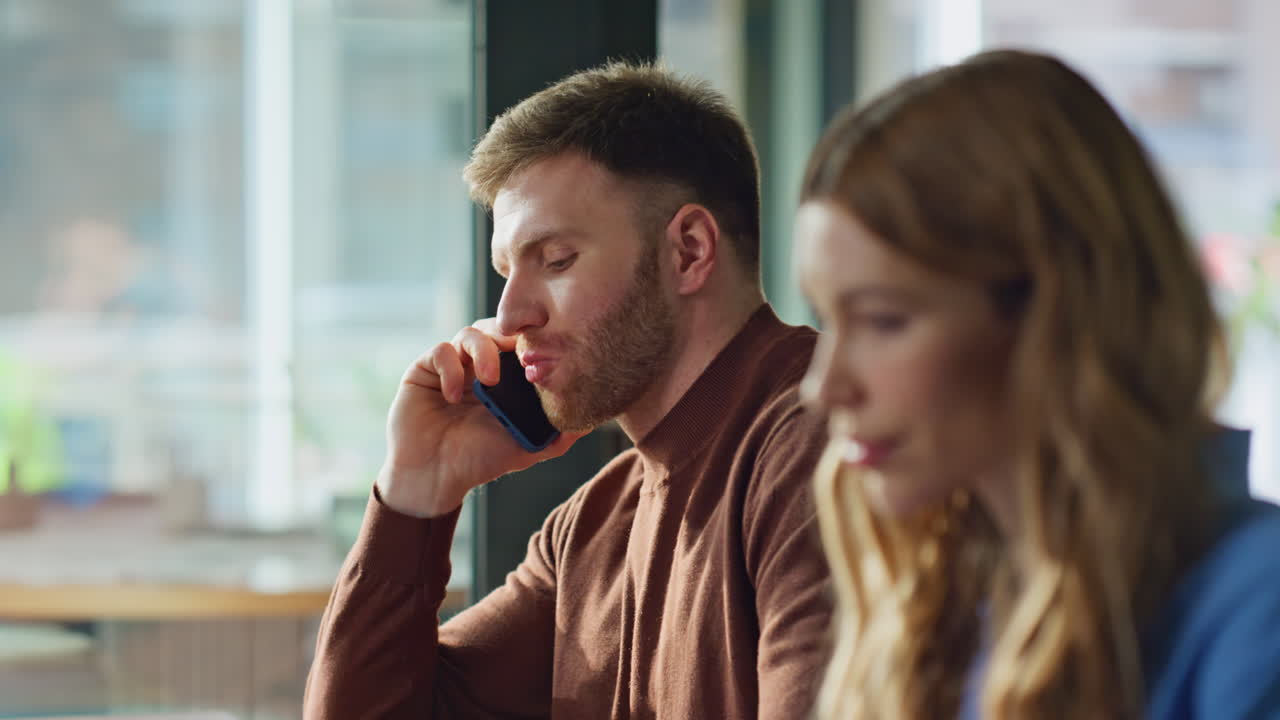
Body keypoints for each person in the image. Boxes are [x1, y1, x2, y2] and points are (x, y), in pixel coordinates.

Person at [304, 62, 831, 718]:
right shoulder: (596, 523)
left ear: (690, 251)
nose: (509, 316)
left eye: (555, 261)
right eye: (506, 271)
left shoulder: (823, 452)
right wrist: (417, 488)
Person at [793, 49, 1280, 720]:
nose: (823, 387)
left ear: (1056, 314)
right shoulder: (944, 613)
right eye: (828, 317)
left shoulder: (1256, 608)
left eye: (882, 320)